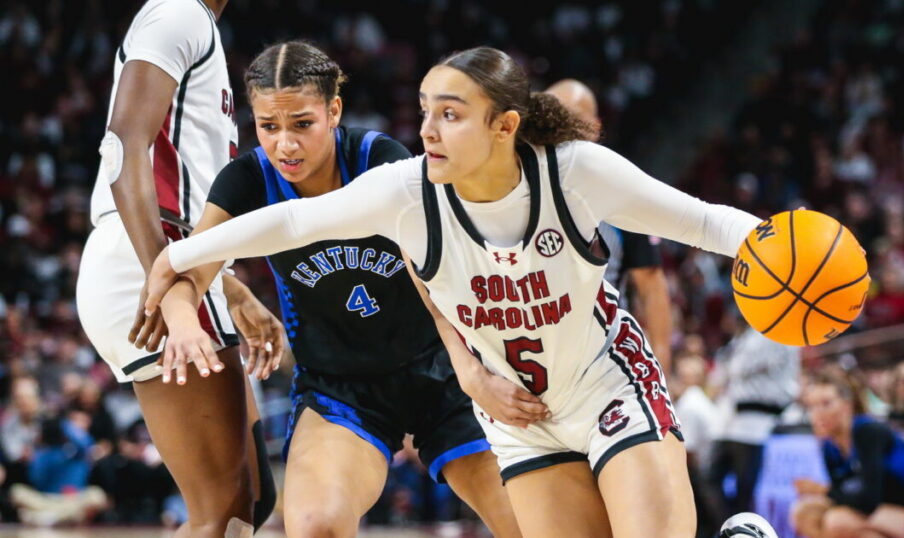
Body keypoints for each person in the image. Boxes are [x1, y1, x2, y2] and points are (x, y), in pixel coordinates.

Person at [145, 46, 764, 537]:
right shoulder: (398, 185)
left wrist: (780, 242)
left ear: (504, 126)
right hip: (397, 393)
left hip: (498, 377)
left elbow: (707, 223)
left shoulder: (563, 170)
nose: (428, 132)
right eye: (426, 113)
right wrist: (181, 266)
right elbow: (288, 225)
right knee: (315, 524)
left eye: (450, 114)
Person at [147, 41, 520, 537]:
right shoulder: (247, 180)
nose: (285, 145)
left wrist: (473, 373)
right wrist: (181, 322)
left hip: (439, 371)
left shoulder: (379, 160)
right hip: (340, 388)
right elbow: (184, 272)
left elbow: (433, 284)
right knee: (316, 526)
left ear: (334, 111)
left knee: (529, 524)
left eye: (302, 124)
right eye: (269, 127)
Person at [74, 0, 278, 535]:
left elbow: (180, 181)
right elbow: (123, 148)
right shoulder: (178, 12)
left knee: (250, 501)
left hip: (175, 261)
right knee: (221, 511)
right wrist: (166, 288)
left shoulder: (194, 22)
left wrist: (229, 286)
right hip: (149, 262)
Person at [545, 79, 673, 364]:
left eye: (570, 119)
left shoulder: (621, 192)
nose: (558, 129)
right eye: (550, 119)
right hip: (540, 358)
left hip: (606, 357)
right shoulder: (518, 190)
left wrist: (661, 364)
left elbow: (650, 285)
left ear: (594, 127)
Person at [791, 367, 904, 538]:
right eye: (811, 407)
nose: (817, 414)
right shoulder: (830, 447)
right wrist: (825, 493)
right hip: (887, 514)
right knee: (805, 513)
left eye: (826, 404)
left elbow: (867, 502)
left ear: (847, 405)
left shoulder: (868, 432)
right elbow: (842, 496)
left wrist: (822, 490)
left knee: (839, 521)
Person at [706, 323, 800, 522]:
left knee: (745, 490)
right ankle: (729, 527)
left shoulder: (781, 331)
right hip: (730, 420)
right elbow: (722, 375)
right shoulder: (745, 336)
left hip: (759, 422)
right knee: (709, 479)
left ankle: (740, 530)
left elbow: (738, 368)